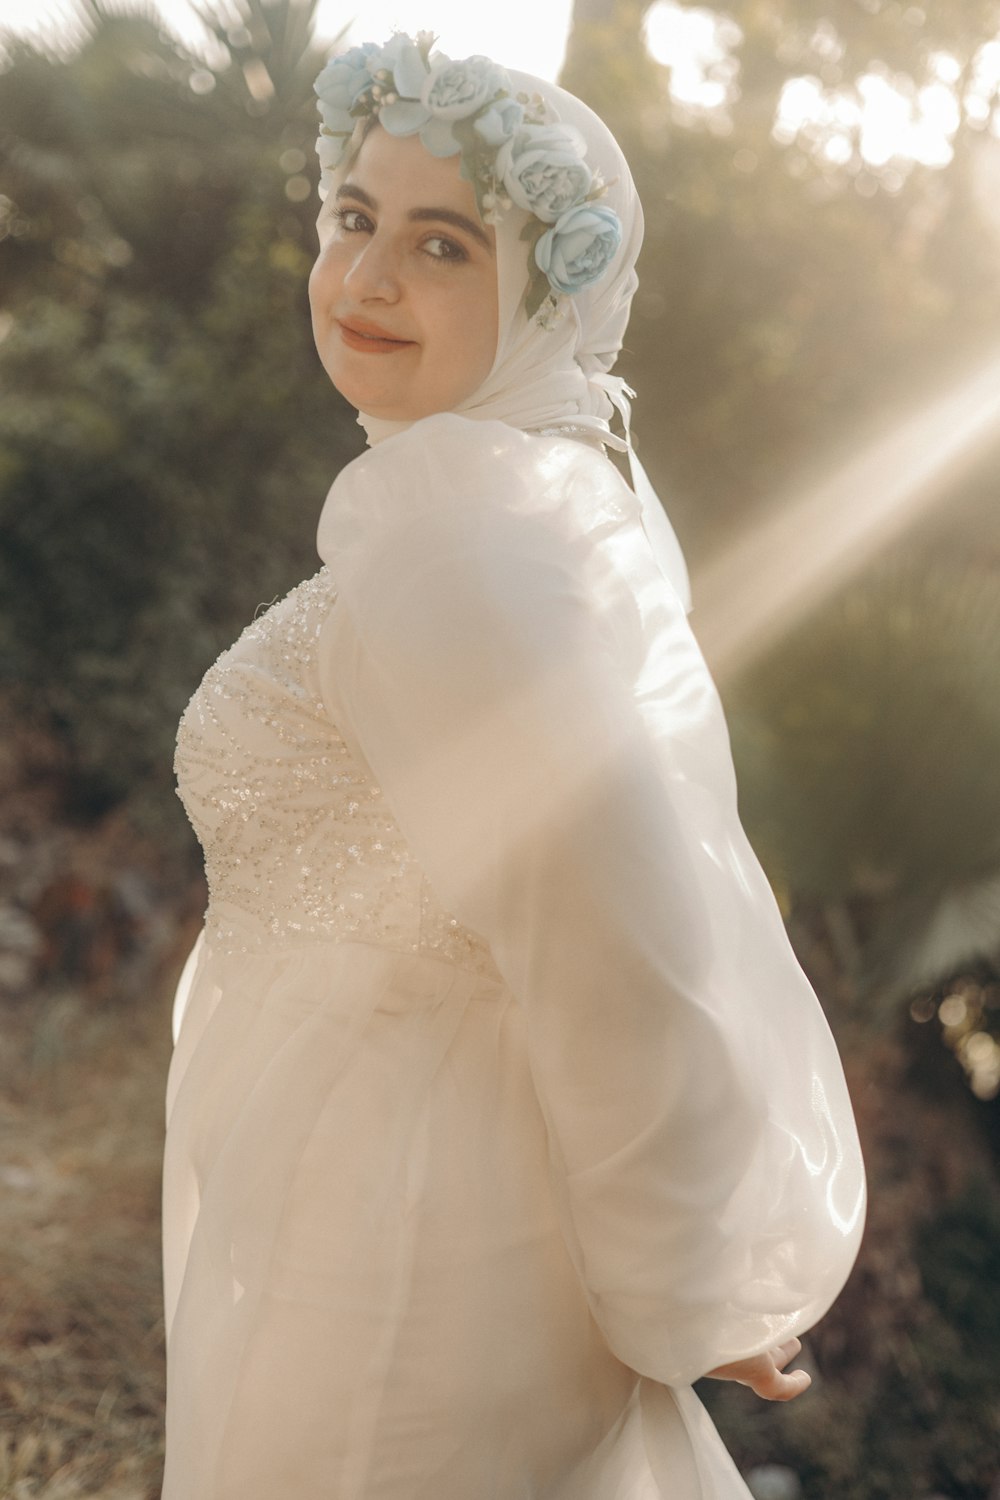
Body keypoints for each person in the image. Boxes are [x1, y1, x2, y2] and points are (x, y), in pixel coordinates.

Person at [161, 32, 865, 1500]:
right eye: (354, 220)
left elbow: (617, 929)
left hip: (415, 1239)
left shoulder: (459, 528)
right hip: (342, 1195)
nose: (363, 282)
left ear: (548, 291)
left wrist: (696, 1285)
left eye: (441, 245)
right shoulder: (492, 495)